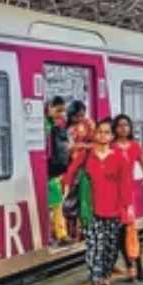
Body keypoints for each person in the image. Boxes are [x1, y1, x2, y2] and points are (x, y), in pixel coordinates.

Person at [62, 119, 127, 285]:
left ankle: (105, 276)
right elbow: (72, 171)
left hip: (114, 209)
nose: (102, 136)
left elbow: (125, 184)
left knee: (110, 248)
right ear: (94, 134)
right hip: (90, 209)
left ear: (112, 136)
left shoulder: (118, 157)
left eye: (106, 132)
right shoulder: (86, 154)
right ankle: (96, 283)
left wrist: (126, 206)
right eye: (99, 132)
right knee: (94, 246)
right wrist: (66, 186)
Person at [112, 114, 143, 282]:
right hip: (113, 195)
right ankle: (130, 266)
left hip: (128, 195)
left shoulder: (135, 146)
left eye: (126, 125)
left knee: (131, 232)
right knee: (119, 233)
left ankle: (138, 266)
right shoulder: (111, 147)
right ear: (115, 128)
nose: (123, 128)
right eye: (119, 125)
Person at [62, 101, 93, 242]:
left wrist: (82, 145)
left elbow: (98, 142)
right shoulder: (66, 128)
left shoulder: (89, 125)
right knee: (70, 200)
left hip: (86, 167)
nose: (80, 118)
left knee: (85, 200)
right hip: (71, 168)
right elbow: (66, 148)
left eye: (82, 115)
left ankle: (84, 230)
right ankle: (71, 231)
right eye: (77, 116)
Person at [45, 97, 72, 247]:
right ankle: (50, 234)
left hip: (53, 170)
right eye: (58, 110)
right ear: (49, 107)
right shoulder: (43, 124)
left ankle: (61, 235)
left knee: (56, 203)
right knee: (49, 204)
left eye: (62, 111)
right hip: (45, 169)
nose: (60, 114)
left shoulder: (58, 124)